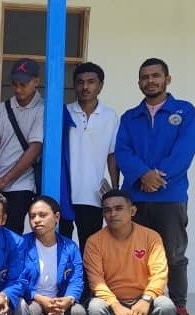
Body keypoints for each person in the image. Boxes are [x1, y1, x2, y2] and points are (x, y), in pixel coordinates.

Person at [115, 58, 195, 315]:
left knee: (173, 253)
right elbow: (123, 152)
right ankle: (140, 303)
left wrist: (157, 178)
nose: (150, 81)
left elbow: (184, 151)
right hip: (136, 197)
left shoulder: (184, 111)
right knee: (135, 253)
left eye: (155, 76)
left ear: (167, 79)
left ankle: (179, 306)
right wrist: (142, 175)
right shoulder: (130, 117)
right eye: (145, 77)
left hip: (169, 195)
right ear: (139, 82)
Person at [85, 189, 179, 315]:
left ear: (133, 210)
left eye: (119, 208)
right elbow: (96, 281)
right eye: (107, 210)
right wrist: (116, 305)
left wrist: (146, 300)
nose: (113, 214)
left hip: (143, 301)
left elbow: (159, 274)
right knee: (94, 308)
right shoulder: (95, 242)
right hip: (112, 303)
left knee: (167, 306)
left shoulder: (151, 237)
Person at [60, 62, 119, 252]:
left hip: (93, 195)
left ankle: (89, 283)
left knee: (91, 248)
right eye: (80, 82)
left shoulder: (110, 116)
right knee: (62, 248)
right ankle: (67, 283)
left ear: (100, 85)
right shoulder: (63, 112)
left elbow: (112, 154)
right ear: (74, 85)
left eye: (91, 82)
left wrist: (115, 189)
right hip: (64, 193)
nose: (85, 87)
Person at [0, 58, 45, 234]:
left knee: (12, 233)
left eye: (23, 84)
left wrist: (4, 180)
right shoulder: (0, 109)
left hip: (22, 184)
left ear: (36, 81)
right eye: (14, 84)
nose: (18, 89)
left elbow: (34, 149)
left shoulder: (43, 109)